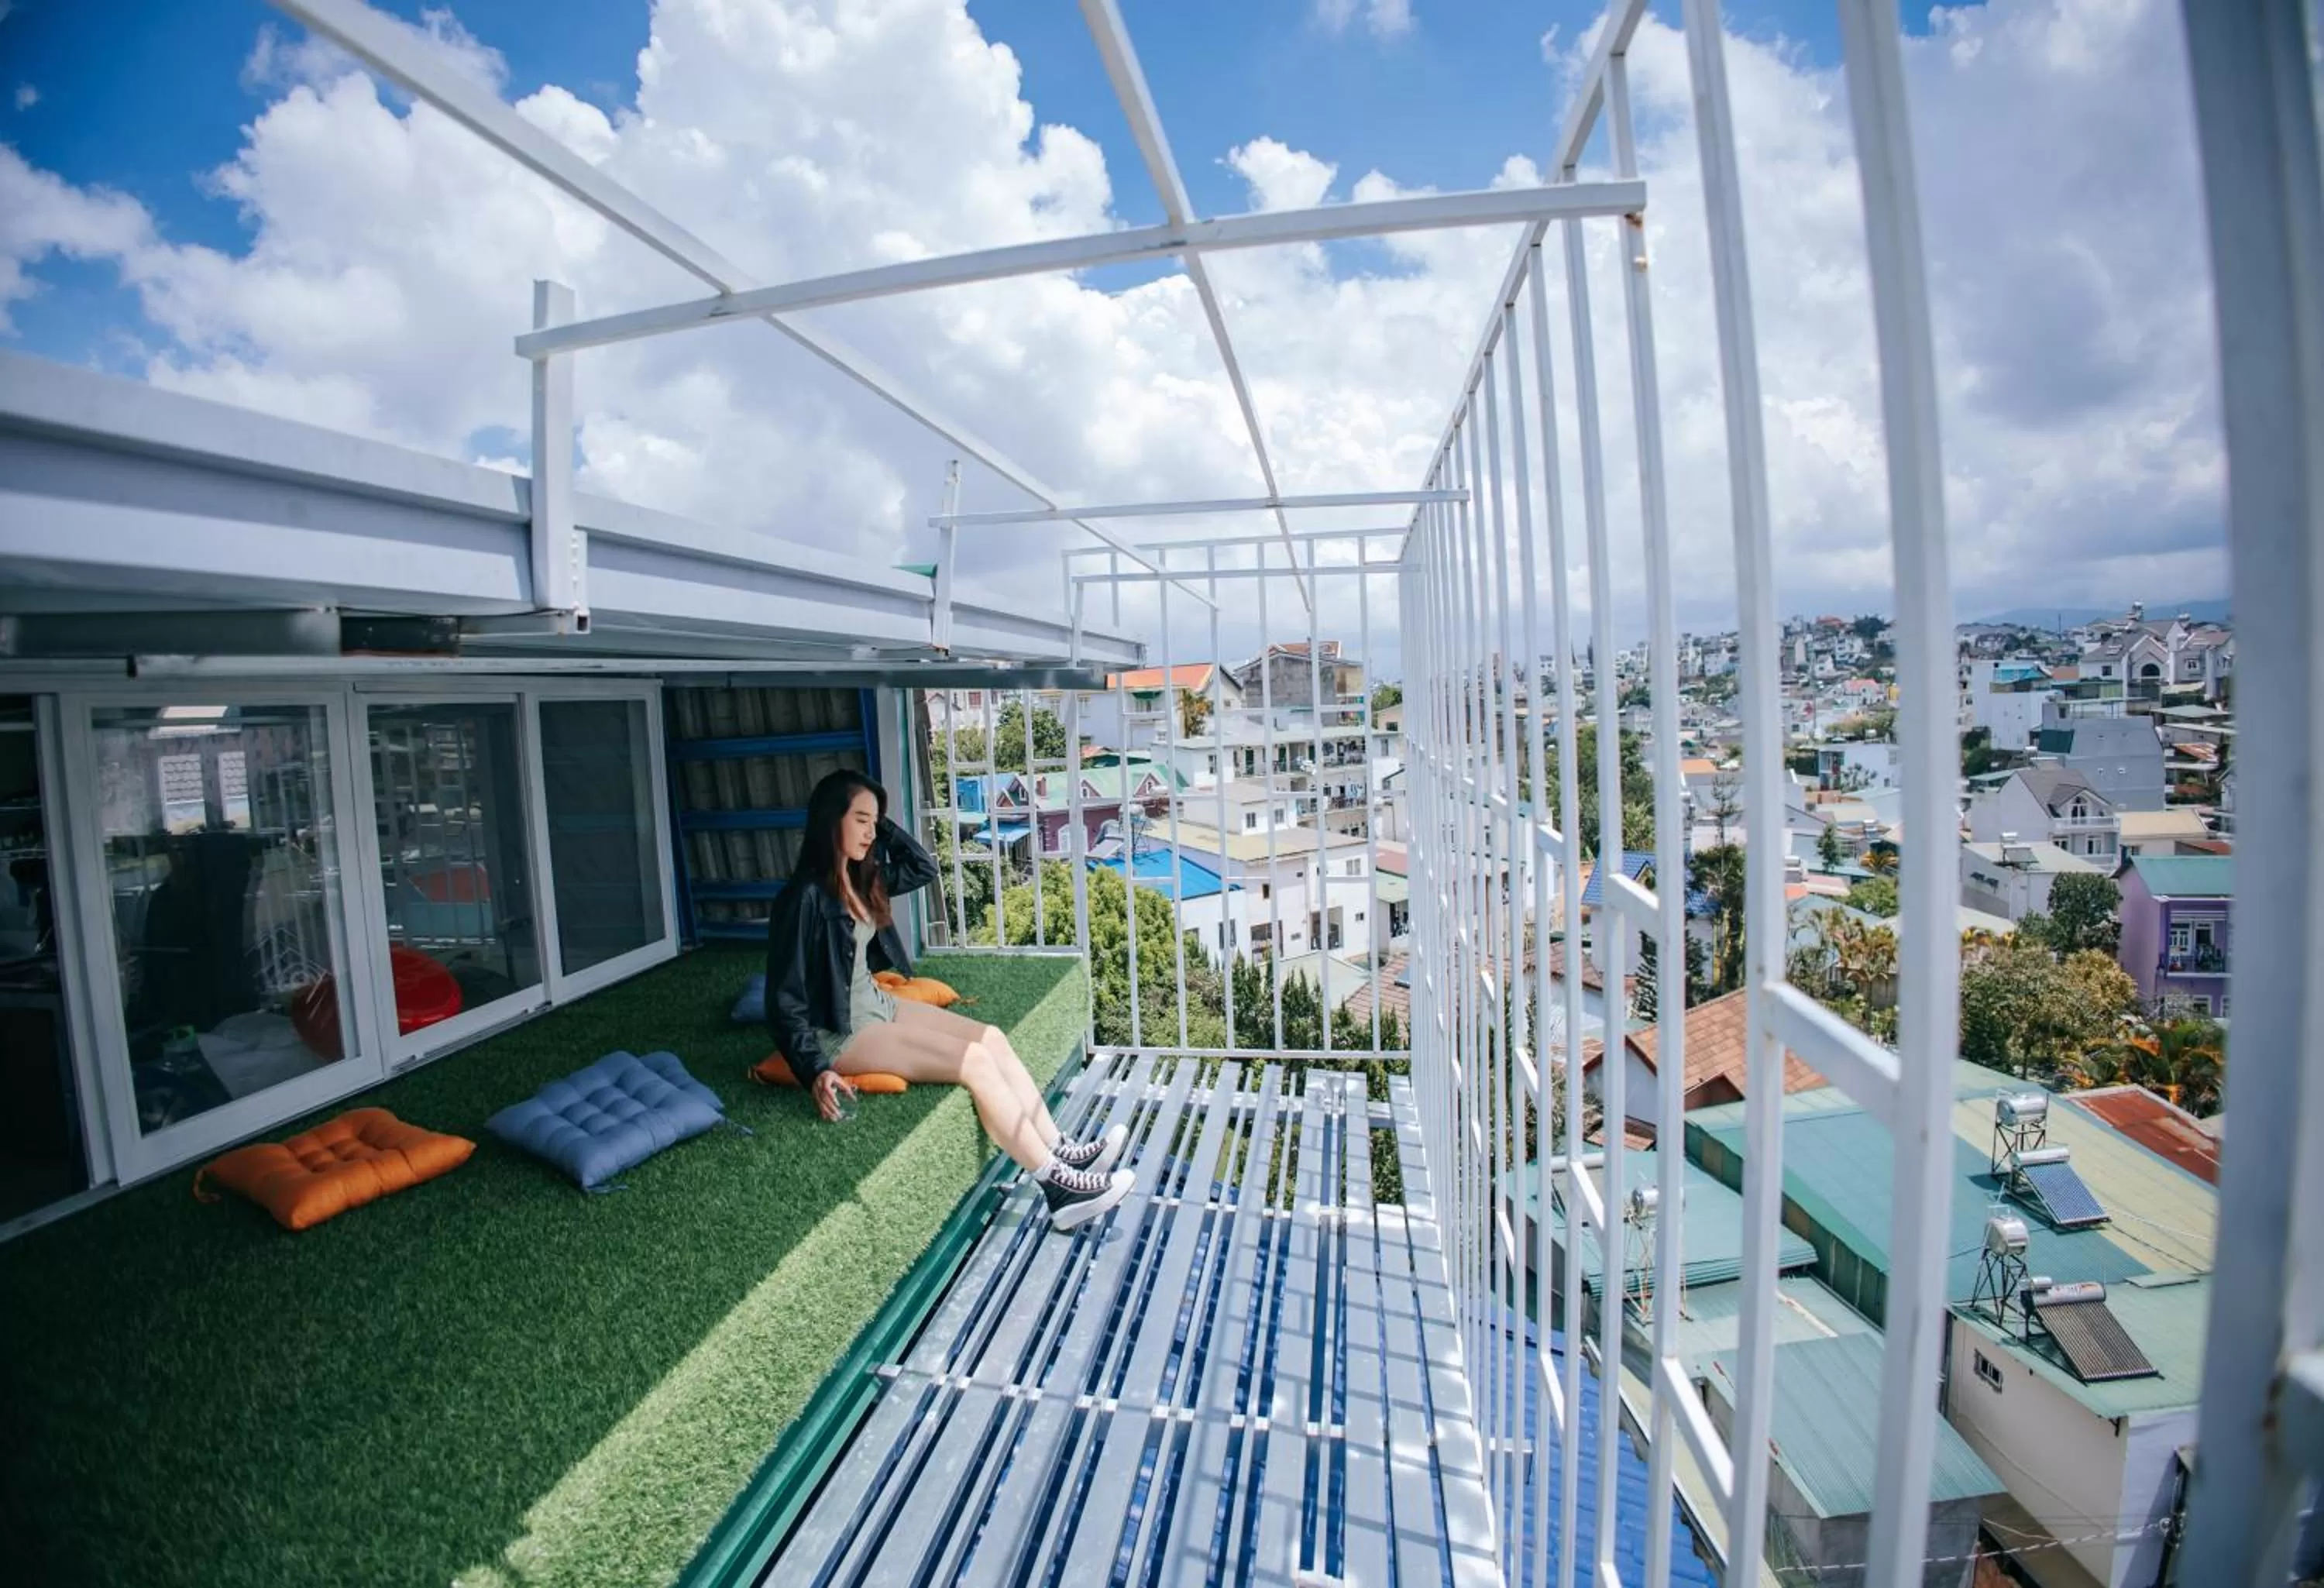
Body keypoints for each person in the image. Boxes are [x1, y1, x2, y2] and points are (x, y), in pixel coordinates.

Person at [764, 769, 1132, 1231]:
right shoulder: (803, 899)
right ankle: (1056, 1190)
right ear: (828, 820)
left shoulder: (862, 877)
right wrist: (815, 1069)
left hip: (881, 1005)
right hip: (843, 1032)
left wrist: (882, 823)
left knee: (991, 1038)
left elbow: (923, 867)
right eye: (859, 820)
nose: (869, 832)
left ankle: (1059, 1148)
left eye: (873, 823)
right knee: (974, 1061)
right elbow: (783, 999)